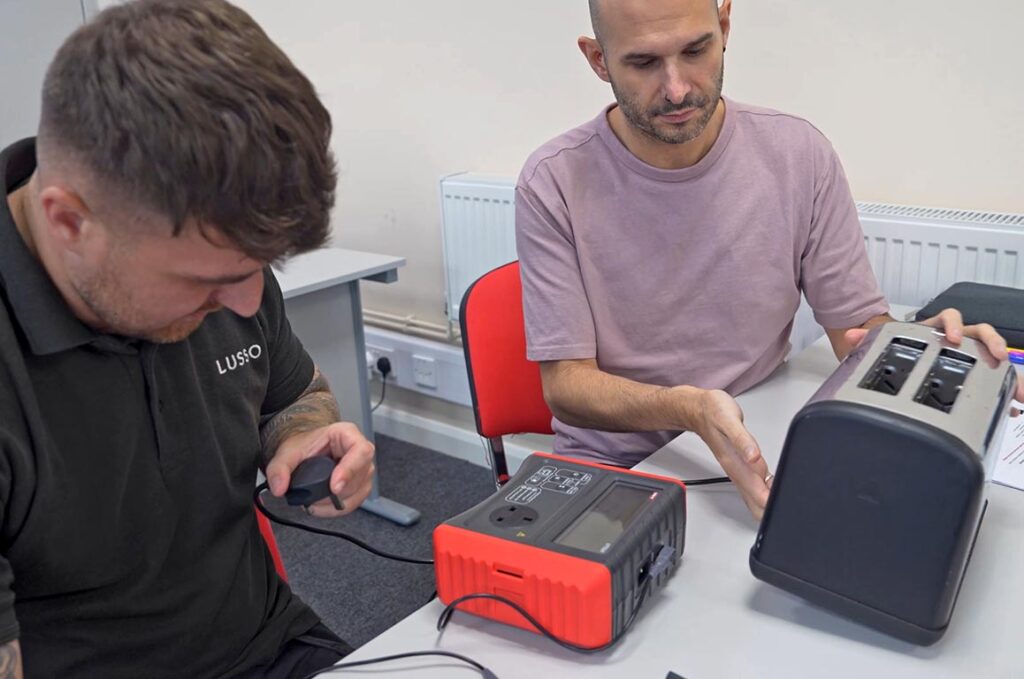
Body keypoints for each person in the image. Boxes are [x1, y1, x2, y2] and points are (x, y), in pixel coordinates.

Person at [515, 0, 1023, 519]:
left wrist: (920, 347)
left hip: (757, 440)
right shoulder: (554, 181)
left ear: (726, 26)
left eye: (696, 50)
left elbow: (856, 333)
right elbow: (566, 386)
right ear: (598, 59)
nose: (677, 88)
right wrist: (689, 409)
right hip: (612, 468)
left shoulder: (798, 155)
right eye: (643, 63)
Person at [0, 1, 376, 677]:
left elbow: (295, 394)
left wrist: (301, 434)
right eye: (206, 281)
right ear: (68, 221)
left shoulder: (229, 270)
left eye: (255, 271)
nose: (243, 301)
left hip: (268, 644)